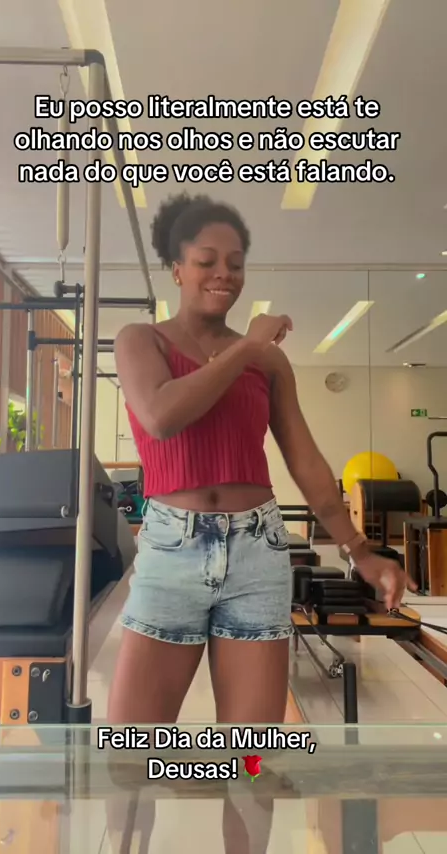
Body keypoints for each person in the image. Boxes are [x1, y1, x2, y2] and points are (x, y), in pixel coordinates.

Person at [106, 192, 415, 848]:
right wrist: (247, 346)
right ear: (177, 269)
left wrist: (359, 549)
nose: (224, 272)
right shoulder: (141, 340)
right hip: (171, 550)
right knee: (131, 758)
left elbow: (305, 459)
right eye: (207, 260)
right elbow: (161, 416)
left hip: (257, 551)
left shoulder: (268, 363)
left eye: (236, 262)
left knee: (252, 762)